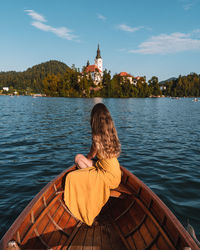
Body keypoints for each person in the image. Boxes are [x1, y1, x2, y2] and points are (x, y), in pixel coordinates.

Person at [64, 103, 121, 226]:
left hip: (107, 175)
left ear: (94, 120)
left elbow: (90, 156)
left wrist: (88, 161)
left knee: (71, 176)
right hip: (115, 172)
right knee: (79, 158)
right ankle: (91, 178)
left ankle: (90, 187)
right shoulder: (113, 134)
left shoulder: (96, 138)